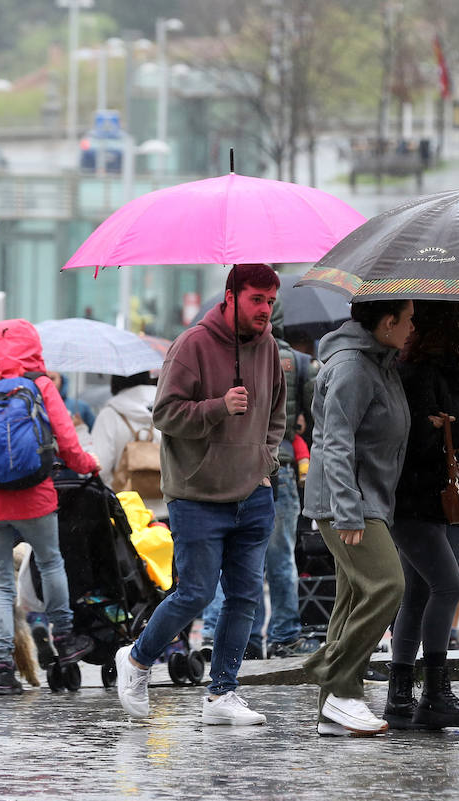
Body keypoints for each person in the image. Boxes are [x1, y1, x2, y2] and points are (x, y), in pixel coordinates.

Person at [113, 264, 285, 725]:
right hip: (197, 494)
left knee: (245, 596)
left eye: (270, 301)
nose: (265, 310)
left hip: (253, 493)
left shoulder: (268, 347)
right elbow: (165, 415)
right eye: (256, 299)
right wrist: (217, 407)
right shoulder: (191, 345)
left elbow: (277, 414)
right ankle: (136, 660)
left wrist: (265, 461)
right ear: (230, 297)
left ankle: (222, 693)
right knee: (195, 593)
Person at [0, 320, 101, 695]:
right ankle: (65, 638)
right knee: (51, 561)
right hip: (35, 498)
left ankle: (3, 669)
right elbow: (68, 444)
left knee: (2, 584)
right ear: (32, 346)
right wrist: (89, 465)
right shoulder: (41, 385)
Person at [382, 300, 459, 731]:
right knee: (447, 587)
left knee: (417, 592)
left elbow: (449, 429)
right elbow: (423, 443)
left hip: (439, 498)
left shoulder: (444, 370)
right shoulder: (417, 373)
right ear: (444, 325)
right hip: (417, 498)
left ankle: (400, 698)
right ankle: (433, 693)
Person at [303, 298, 414, 736]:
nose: (412, 328)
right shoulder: (352, 365)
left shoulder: (379, 362)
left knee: (352, 599)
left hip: (368, 500)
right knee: (389, 585)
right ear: (387, 322)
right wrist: (348, 510)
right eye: (408, 319)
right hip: (348, 503)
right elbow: (335, 442)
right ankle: (330, 675)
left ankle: (333, 707)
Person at [201, 301, 319, 659]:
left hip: (233, 468)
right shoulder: (298, 363)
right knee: (281, 557)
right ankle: (285, 635)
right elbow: (315, 416)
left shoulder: (233, 356)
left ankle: (241, 638)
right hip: (280, 463)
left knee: (236, 560)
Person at [90, 370, 163, 515]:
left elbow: (100, 466)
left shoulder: (110, 414)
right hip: (165, 507)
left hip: (125, 510)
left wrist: (80, 433)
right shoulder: (167, 407)